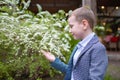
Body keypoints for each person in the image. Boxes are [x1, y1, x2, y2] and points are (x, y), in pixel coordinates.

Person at [41, 6, 108, 80]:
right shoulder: (79, 46)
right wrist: (54, 60)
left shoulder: (98, 48)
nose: (69, 31)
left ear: (84, 24)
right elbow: (72, 72)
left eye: (71, 26)